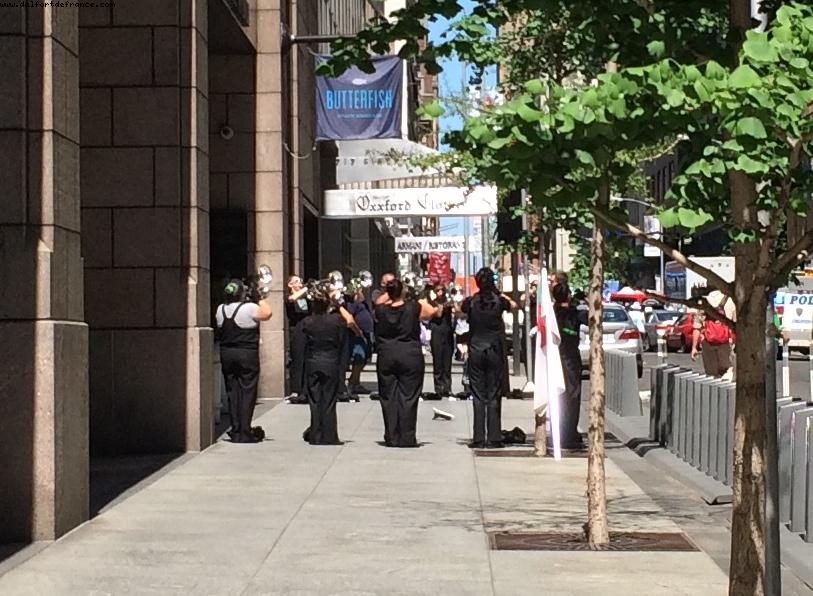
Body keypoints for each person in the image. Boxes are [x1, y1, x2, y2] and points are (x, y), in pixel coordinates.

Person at [375, 278, 439, 447]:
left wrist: (390, 293)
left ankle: (391, 436)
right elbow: (430, 312)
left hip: (387, 354)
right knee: (409, 396)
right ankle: (407, 437)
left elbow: (378, 302)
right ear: (402, 291)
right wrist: (410, 296)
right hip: (410, 354)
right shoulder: (413, 307)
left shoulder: (381, 310)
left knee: (388, 396)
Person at [461, 268, 516, 449]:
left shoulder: (471, 302)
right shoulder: (499, 301)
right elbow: (514, 305)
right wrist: (497, 293)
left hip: (476, 350)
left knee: (478, 394)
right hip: (494, 350)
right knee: (493, 394)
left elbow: (459, 309)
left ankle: (478, 437)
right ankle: (494, 437)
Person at [216, 279, 273, 443]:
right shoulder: (249, 308)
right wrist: (258, 297)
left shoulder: (220, 309)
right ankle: (245, 430)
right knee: (248, 390)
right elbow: (267, 313)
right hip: (247, 353)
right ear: (241, 293)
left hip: (227, 353)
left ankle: (235, 429)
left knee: (232, 391)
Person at [301, 288, 358, 445]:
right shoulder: (336, 320)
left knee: (315, 400)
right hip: (331, 361)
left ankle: (316, 434)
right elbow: (350, 321)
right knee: (329, 400)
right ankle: (329, 435)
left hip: (313, 361)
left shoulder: (308, 321)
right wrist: (338, 305)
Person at [551, 276, 586, 450]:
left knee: (557, 396)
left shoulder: (552, 313)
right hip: (571, 358)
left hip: (555, 357)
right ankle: (570, 432)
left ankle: (559, 431)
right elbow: (593, 318)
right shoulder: (574, 313)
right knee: (572, 396)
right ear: (569, 296)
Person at [691, 290, 736, 379]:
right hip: (725, 344)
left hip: (708, 344)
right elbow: (736, 326)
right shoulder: (730, 301)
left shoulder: (702, 302)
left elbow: (697, 328)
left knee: (711, 376)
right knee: (727, 372)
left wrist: (694, 348)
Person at [344, 286, 374, 396]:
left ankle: (356, 381)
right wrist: (357, 331)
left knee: (365, 358)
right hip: (357, 334)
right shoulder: (352, 303)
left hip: (366, 333)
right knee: (359, 357)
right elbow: (350, 317)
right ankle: (352, 382)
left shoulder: (362, 303)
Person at [285, 275, 310, 404]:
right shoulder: (289, 297)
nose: (300, 284)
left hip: (307, 330)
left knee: (307, 359)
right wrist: (305, 288)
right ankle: (297, 389)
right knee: (298, 359)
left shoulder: (306, 298)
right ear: (290, 285)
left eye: (301, 282)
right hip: (296, 330)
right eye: (297, 282)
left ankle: (306, 389)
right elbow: (291, 299)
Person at [428, 283, 454, 398]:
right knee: (437, 362)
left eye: (442, 290)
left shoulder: (448, 302)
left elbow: (458, 311)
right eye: (437, 290)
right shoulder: (432, 303)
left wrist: (452, 304)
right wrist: (440, 305)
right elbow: (438, 314)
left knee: (447, 363)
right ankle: (438, 388)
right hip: (437, 333)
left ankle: (447, 388)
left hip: (447, 333)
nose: (440, 292)